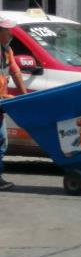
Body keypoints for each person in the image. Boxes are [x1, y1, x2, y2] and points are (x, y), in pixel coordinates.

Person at [0, 18, 28, 191]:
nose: (11, 34)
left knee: (2, 141)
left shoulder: (7, 50)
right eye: (7, 31)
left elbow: (16, 73)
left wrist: (25, 96)